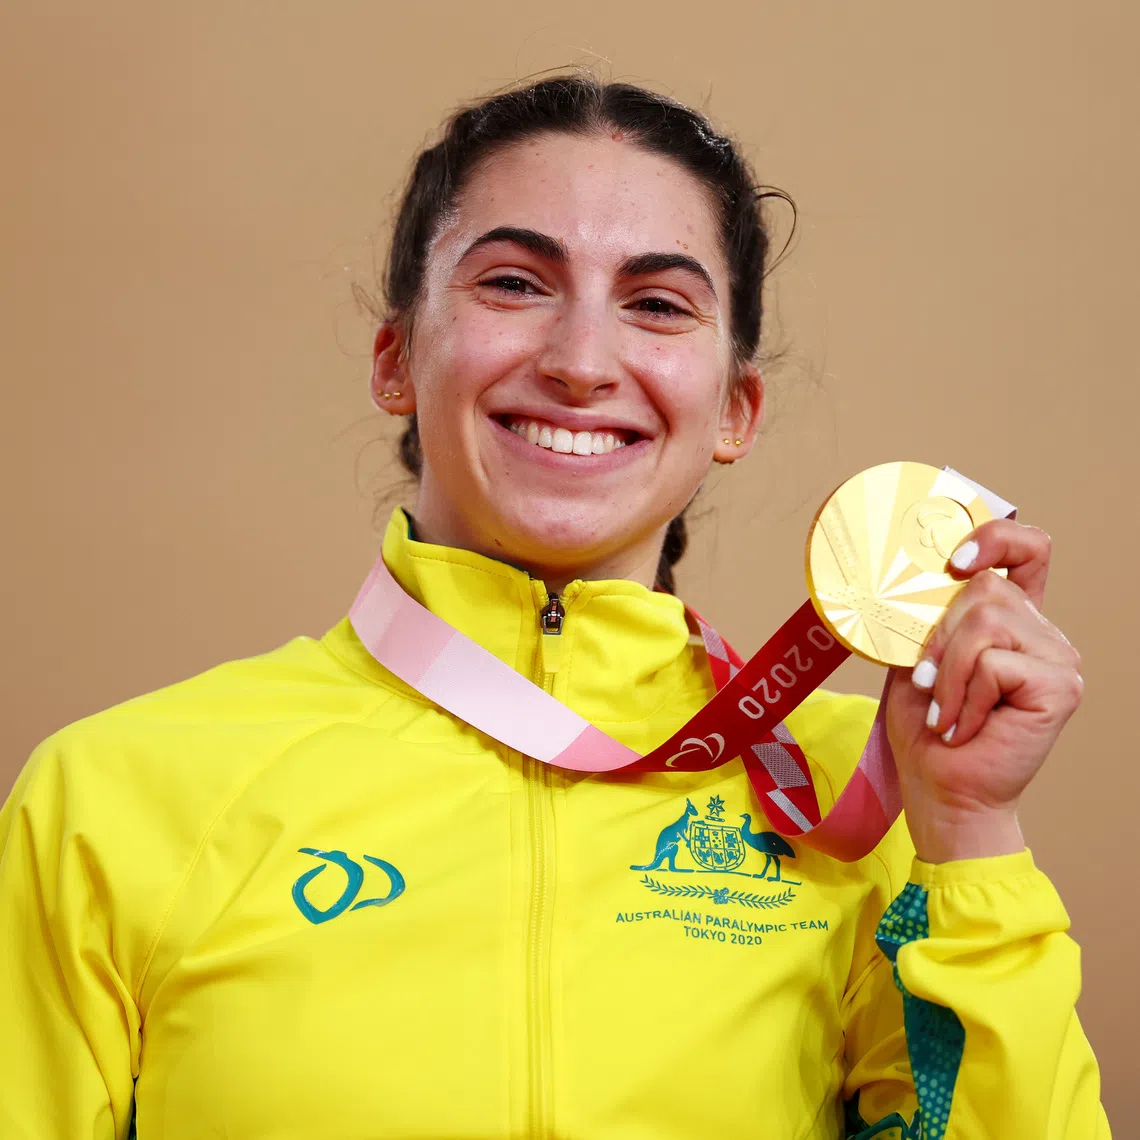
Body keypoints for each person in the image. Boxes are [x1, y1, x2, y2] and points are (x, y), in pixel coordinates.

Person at [0, 75, 1110, 1139]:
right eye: (514, 284)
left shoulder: (867, 799)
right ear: (396, 358)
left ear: (735, 407)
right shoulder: (121, 794)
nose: (582, 362)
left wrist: (967, 834)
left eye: (658, 304)